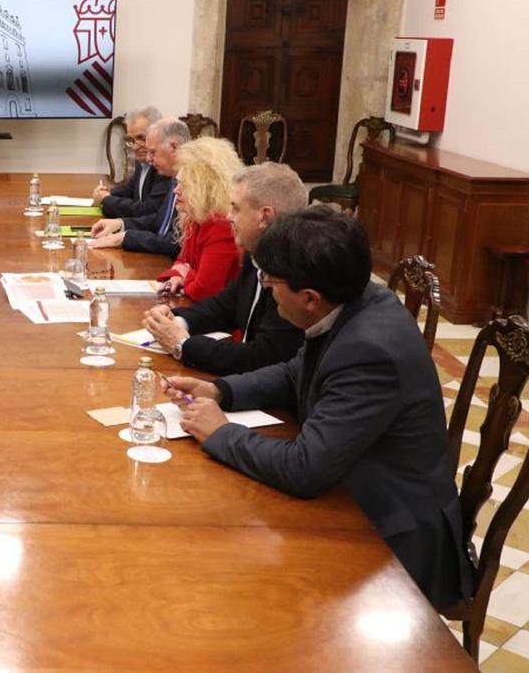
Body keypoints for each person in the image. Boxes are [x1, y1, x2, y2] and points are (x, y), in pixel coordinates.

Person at [165, 207, 472, 610]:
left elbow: (305, 468)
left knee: (248, 589)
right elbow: (297, 372)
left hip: (391, 534)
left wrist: (221, 432)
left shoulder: (370, 350)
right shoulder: (350, 298)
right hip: (350, 490)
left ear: (308, 298)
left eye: (271, 284)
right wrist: (220, 391)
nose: (268, 294)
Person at [142, 163, 307, 375]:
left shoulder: (293, 272)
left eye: (236, 208)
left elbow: (263, 357)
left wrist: (183, 344)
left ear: (264, 217)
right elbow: (226, 305)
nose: (228, 216)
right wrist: (176, 320)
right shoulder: (256, 251)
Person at [152, 136, 244, 302]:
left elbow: (204, 290)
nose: (176, 191)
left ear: (205, 187)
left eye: (185, 185)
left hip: (220, 323)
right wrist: (177, 275)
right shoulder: (196, 216)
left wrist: (187, 273)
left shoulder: (221, 224)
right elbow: (182, 260)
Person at [88, 118, 190, 257]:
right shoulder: (175, 177)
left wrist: (126, 237)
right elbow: (159, 221)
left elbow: (178, 243)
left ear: (174, 147)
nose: (148, 158)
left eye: (153, 152)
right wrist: (120, 224)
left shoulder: (195, 184)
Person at [92, 106, 166, 219]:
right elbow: (130, 189)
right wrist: (107, 193)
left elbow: (147, 210)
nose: (135, 146)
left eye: (141, 138)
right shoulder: (142, 161)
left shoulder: (164, 168)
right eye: (131, 140)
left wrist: (106, 199)